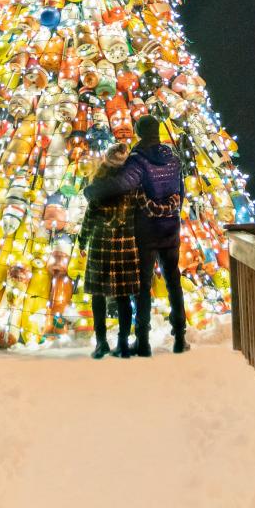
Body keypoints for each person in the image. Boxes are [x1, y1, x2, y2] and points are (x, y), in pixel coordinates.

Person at [85, 115, 189, 356]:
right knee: (174, 282)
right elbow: (180, 194)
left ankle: (142, 341)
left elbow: (122, 183)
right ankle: (180, 336)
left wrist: (93, 190)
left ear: (140, 133)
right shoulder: (173, 160)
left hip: (146, 232)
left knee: (142, 286)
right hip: (171, 230)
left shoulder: (138, 161)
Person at [78, 143, 140, 359]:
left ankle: (101, 342)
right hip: (125, 242)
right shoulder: (133, 182)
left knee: (99, 295)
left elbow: (90, 215)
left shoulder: (99, 183)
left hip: (100, 242)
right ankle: (123, 341)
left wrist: (82, 239)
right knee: (123, 295)